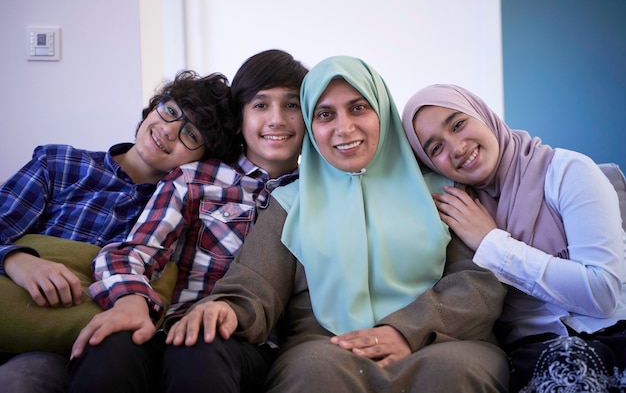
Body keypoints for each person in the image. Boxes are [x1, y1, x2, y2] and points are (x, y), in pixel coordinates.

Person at [166, 56, 509, 392]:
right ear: (311, 129)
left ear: (383, 111)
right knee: (313, 374)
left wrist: (406, 330)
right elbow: (256, 282)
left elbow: (478, 281)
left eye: (358, 108)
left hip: (441, 340)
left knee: (454, 373)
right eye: (325, 114)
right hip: (330, 346)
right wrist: (227, 307)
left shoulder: (442, 190)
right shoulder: (290, 203)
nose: (344, 128)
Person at [67, 49, 308, 393]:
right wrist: (131, 300)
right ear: (239, 118)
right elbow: (131, 252)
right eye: (260, 105)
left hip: (246, 343)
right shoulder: (195, 179)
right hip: (168, 325)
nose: (277, 119)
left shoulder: (314, 195)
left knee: (199, 349)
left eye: (292, 105)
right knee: (109, 344)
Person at [0, 70, 238, 393]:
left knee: (19, 383)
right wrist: (18, 261)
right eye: (169, 111)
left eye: (190, 134)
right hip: (14, 310)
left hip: (72, 350)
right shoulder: (60, 163)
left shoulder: (182, 211)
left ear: (204, 160)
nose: (168, 131)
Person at [401, 83, 626, 392]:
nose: (457, 147)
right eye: (435, 148)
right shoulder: (457, 208)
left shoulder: (567, 172)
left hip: (614, 334)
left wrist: (492, 242)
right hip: (536, 353)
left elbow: (602, 293)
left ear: (482, 114)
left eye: (458, 124)